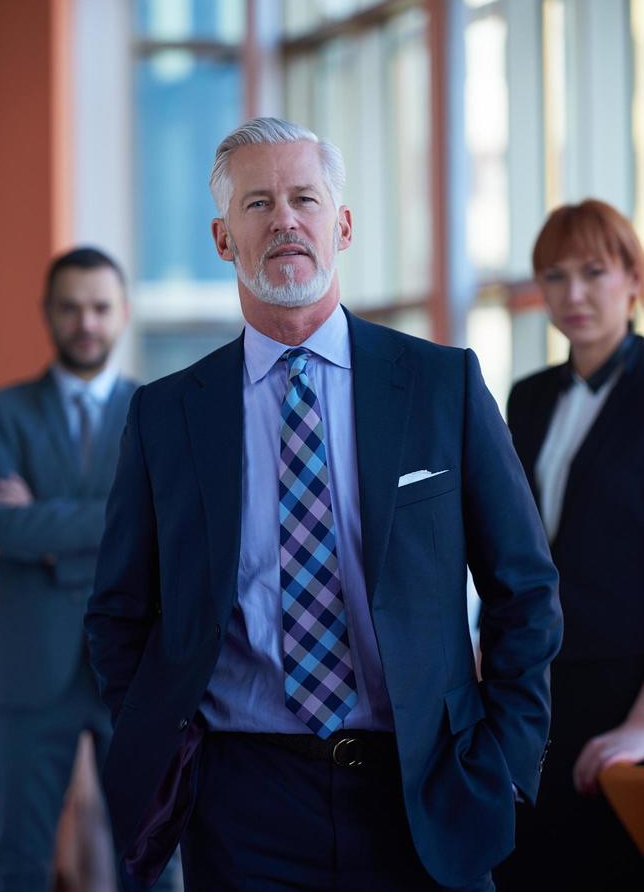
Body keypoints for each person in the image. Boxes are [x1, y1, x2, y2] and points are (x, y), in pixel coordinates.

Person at [85, 117, 562, 892]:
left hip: (426, 788)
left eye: (304, 198)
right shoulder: (167, 415)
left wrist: (505, 755)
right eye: (258, 204)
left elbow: (525, 586)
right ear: (221, 238)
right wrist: (169, 746)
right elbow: (117, 613)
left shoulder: (442, 385)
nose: (284, 220)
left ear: (340, 225)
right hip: (242, 803)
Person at [497, 199, 644, 891]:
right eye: (554, 277)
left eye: (594, 272)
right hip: (532, 687)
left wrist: (643, 724)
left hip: (623, 694)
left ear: (634, 281)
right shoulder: (527, 398)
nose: (574, 295)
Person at [0, 248, 138, 892]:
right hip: (29, 671)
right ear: (46, 314)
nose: (86, 322)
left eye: (100, 307)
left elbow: (159, 528)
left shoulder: (155, 409)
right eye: (70, 307)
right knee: (18, 862)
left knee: (151, 858)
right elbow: (4, 526)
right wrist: (112, 520)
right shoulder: (3, 412)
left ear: (122, 314)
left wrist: (49, 529)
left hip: (132, 665)